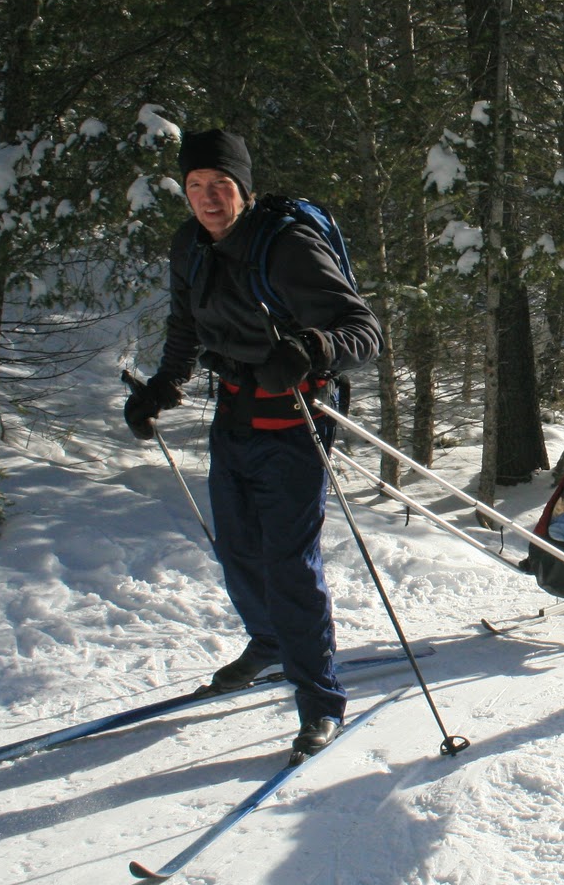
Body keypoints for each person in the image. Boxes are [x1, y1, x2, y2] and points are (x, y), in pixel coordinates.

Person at [122, 128, 381, 765]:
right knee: (237, 548)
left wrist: (312, 350)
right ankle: (268, 643)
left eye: (220, 186)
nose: (208, 199)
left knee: (289, 563)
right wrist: (163, 385)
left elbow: (364, 331)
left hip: (294, 422)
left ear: (243, 188)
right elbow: (185, 323)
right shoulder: (189, 245)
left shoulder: (286, 247)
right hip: (234, 417)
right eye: (195, 187)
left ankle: (320, 700)